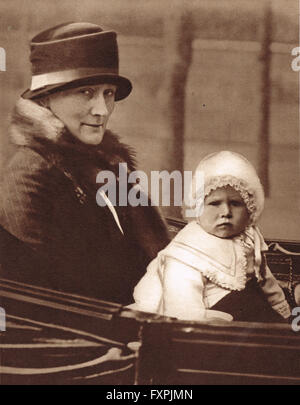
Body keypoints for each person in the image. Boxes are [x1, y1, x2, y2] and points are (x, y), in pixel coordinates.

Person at [0, 22, 169, 304]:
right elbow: (29, 293)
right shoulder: (29, 171)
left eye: (108, 93)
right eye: (86, 93)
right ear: (46, 99)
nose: (102, 110)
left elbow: (147, 253)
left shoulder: (110, 166)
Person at [132, 151, 291, 322]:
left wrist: (284, 311)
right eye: (214, 203)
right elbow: (182, 307)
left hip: (252, 306)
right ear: (198, 208)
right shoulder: (187, 253)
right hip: (212, 319)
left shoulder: (248, 237)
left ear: (250, 209)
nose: (226, 213)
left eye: (235, 204)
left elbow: (265, 280)